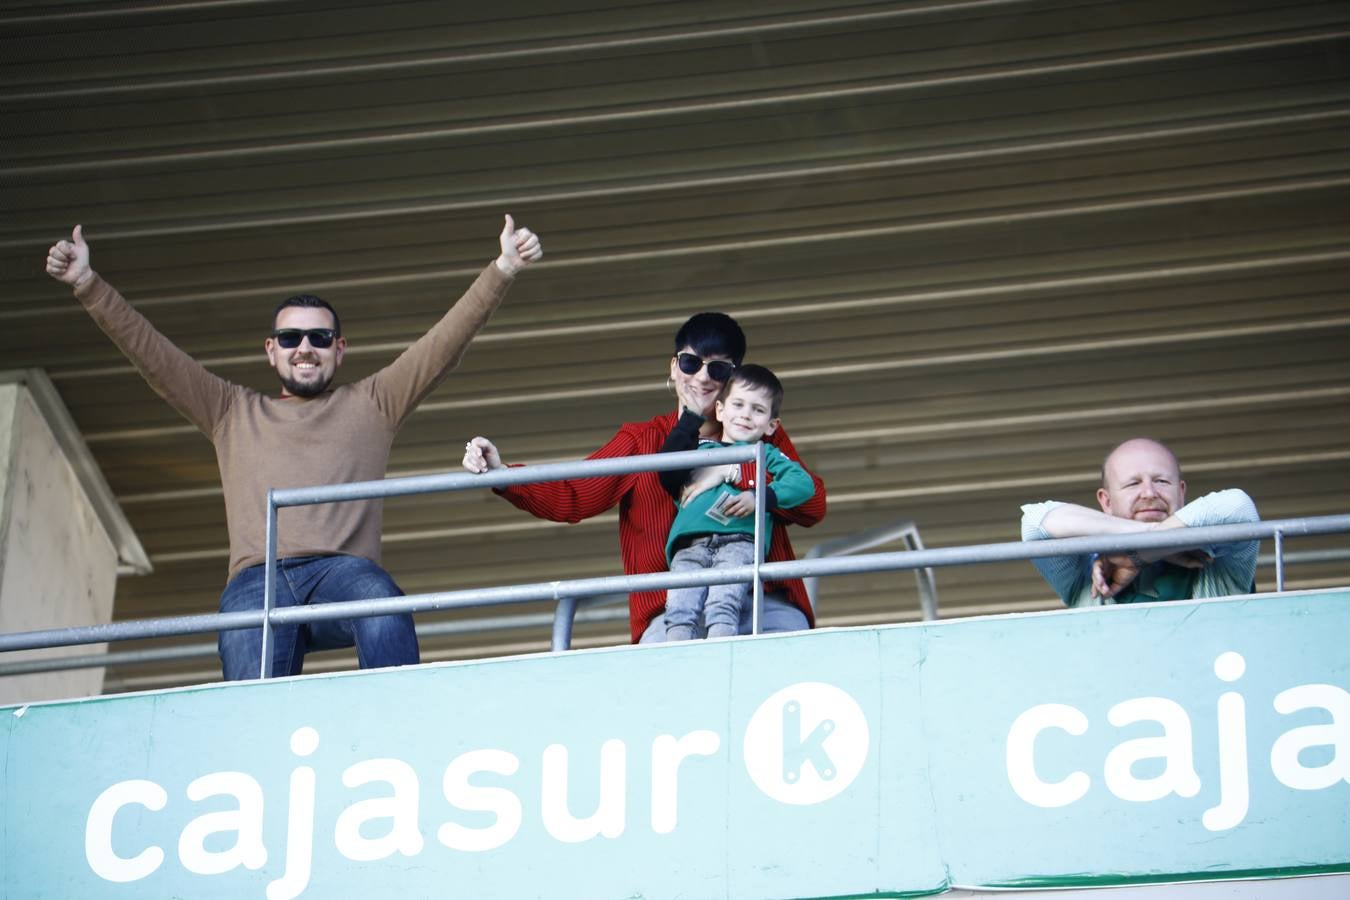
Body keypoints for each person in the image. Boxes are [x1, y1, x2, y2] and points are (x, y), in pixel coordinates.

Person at [45, 217, 543, 679]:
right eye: (290, 336)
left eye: (319, 336)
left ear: (339, 348)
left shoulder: (373, 402)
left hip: (342, 572)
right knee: (245, 644)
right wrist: (88, 284)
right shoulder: (229, 410)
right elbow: (155, 357)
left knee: (383, 605)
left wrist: (503, 269)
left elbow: (443, 345)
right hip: (256, 580)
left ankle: (398, 732)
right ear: (271, 349)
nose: (304, 346)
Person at [462, 312, 826, 643]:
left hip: (763, 602)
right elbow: (571, 494)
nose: (701, 376)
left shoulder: (763, 435)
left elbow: (812, 504)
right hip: (672, 614)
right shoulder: (643, 440)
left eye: (718, 369)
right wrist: (502, 473)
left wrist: (734, 474)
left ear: (735, 378)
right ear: (673, 367)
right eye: (690, 362)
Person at [657, 364, 815, 640]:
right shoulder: (700, 449)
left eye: (758, 409)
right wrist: (691, 418)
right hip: (689, 543)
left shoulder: (765, 454)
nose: (745, 414)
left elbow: (804, 484)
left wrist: (759, 497)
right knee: (679, 609)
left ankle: (722, 656)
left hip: (740, 542)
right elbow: (668, 465)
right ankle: (677, 663)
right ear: (720, 410)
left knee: (724, 604)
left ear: (771, 425)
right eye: (738, 404)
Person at [1021, 437, 1260, 606]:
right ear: (1106, 501)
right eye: (1133, 483)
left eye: (1162, 482)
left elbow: (1238, 504)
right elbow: (1034, 522)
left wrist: (1136, 555)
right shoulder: (1087, 579)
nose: (1149, 493)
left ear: (1181, 492)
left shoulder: (1217, 565)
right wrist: (1150, 533)